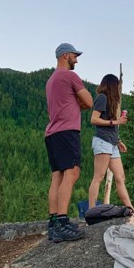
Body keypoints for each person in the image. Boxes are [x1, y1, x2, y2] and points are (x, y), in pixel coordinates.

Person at [44, 42, 94, 242]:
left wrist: (75, 103)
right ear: (65, 55)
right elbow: (89, 101)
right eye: (75, 55)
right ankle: (63, 222)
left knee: (57, 176)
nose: (77, 59)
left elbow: (68, 102)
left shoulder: (51, 80)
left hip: (52, 132)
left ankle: (54, 222)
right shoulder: (69, 76)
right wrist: (80, 102)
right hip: (67, 131)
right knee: (72, 172)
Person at [87, 73, 134, 212]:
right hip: (102, 141)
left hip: (112, 143)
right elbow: (94, 119)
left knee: (120, 177)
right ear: (112, 85)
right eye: (117, 85)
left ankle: (130, 208)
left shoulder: (112, 102)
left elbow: (112, 127)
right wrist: (116, 121)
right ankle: (92, 210)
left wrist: (119, 141)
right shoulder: (102, 98)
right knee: (99, 177)